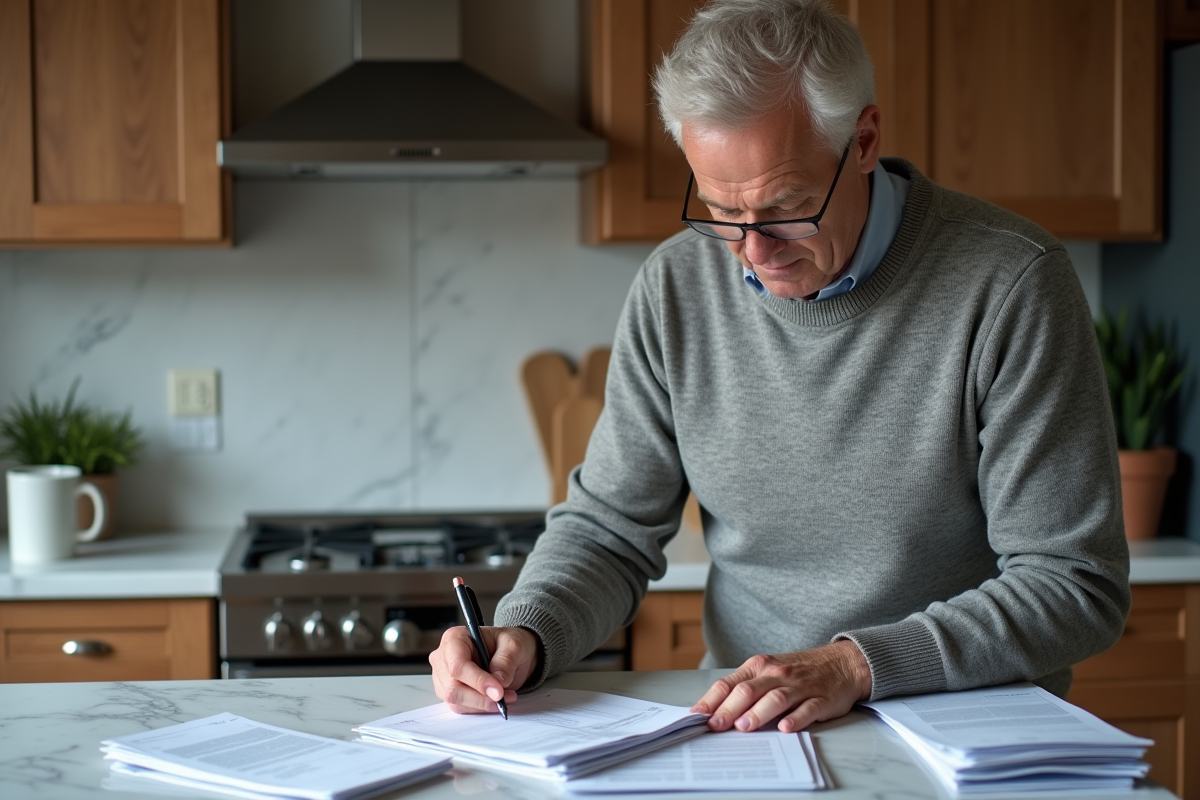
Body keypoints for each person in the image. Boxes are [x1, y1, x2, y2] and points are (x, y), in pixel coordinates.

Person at [429, 0, 1130, 734]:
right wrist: (527, 634)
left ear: (863, 140)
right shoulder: (676, 288)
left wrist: (855, 667)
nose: (753, 251)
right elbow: (608, 531)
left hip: (969, 732)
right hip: (754, 732)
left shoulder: (1010, 283)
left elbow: (1073, 581)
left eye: (787, 207)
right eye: (722, 211)